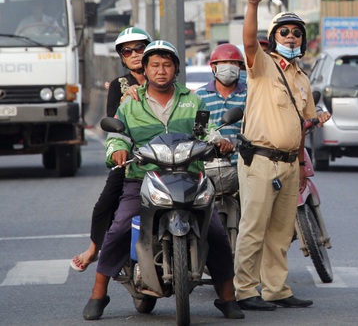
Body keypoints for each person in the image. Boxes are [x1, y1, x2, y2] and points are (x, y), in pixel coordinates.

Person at [82, 40, 244, 321]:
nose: (161, 71)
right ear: (144, 69)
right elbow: (117, 136)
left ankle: (228, 297)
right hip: (143, 177)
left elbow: (206, 131)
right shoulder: (131, 104)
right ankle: (98, 293)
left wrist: (219, 143)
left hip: (190, 175)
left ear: (176, 69)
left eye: (167, 65)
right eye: (154, 65)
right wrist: (117, 150)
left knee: (216, 232)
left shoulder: (192, 101)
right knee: (120, 227)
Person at [233, 0, 319, 311]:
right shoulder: (263, 66)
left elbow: (303, 127)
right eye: (284, 31)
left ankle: (276, 289)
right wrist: (252, 5)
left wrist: (300, 165)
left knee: (281, 232)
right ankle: (244, 290)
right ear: (274, 37)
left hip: (289, 164)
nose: (292, 36)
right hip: (260, 160)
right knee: (253, 228)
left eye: (297, 33)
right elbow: (248, 41)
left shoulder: (302, 79)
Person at [70, 27, 152, 273]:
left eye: (140, 48)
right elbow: (113, 123)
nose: (135, 54)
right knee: (106, 201)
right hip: (132, 157)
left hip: (167, 156)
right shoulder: (119, 85)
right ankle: (95, 250)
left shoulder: (163, 78)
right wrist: (128, 98)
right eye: (128, 51)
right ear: (122, 57)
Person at [194, 43, 248, 153]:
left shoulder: (249, 95)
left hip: (241, 162)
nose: (228, 66)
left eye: (233, 63)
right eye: (223, 62)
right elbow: (198, 132)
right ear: (213, 67)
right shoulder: (199, 96)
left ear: (239, 67)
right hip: (209, 163)